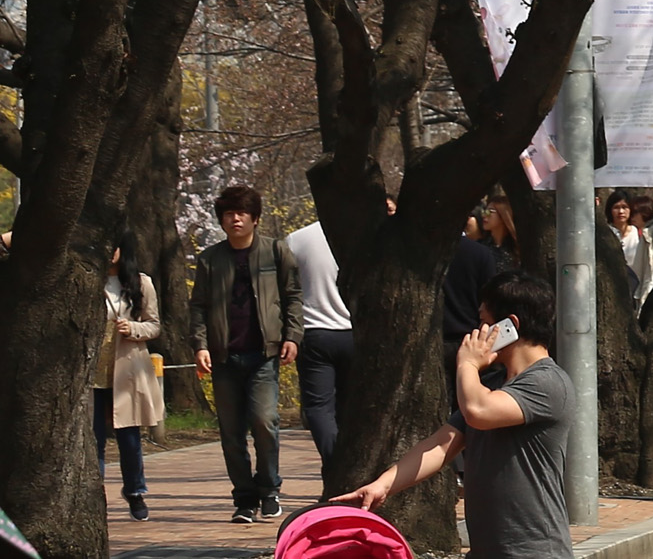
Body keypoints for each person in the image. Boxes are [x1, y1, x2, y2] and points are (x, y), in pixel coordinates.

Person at [335, 272, 576, 559]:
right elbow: (440, 445)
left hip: (535, 552)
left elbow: (477, 411)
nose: (477, 332)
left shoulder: (547, 383)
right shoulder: (493, 386)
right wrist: (382, 485)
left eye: (484, 322)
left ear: (509, 325)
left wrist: (468, 364)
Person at [191, 184, 303, 523]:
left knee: (265, 422)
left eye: (241, 213)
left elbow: (293, 296)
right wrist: (199, 345)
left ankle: (269, 489)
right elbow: (198, 307)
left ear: (255, 218)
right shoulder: (210, 259)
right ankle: (244, 499)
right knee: (230, 434)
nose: (235, 219)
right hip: (224, 358)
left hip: (263, 355)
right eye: (228, 213)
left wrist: (293, 336)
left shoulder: (275, 252)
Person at [97, 234, 163, 520]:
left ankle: (135, 492)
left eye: (115, 245)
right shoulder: (87, 279)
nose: (109, 250)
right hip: (93, 372)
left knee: (129, 437)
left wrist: (134, 329)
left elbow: (155, 325)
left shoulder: (141, 283)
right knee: (93, 438)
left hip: (127, 368)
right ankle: (93, 494)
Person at [286, 215, 353, 483]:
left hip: (314, 331)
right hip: (354, 332)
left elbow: (288, 289)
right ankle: (345, 468)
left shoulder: (297, 239)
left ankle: (333, 465)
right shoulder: (361, 233)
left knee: (318, 407)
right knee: (349, 408)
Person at [444, 202, 511, 413]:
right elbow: (492, 300)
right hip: (473, 341)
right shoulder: (481, 253)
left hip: (437, 341)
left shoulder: (422, 256)